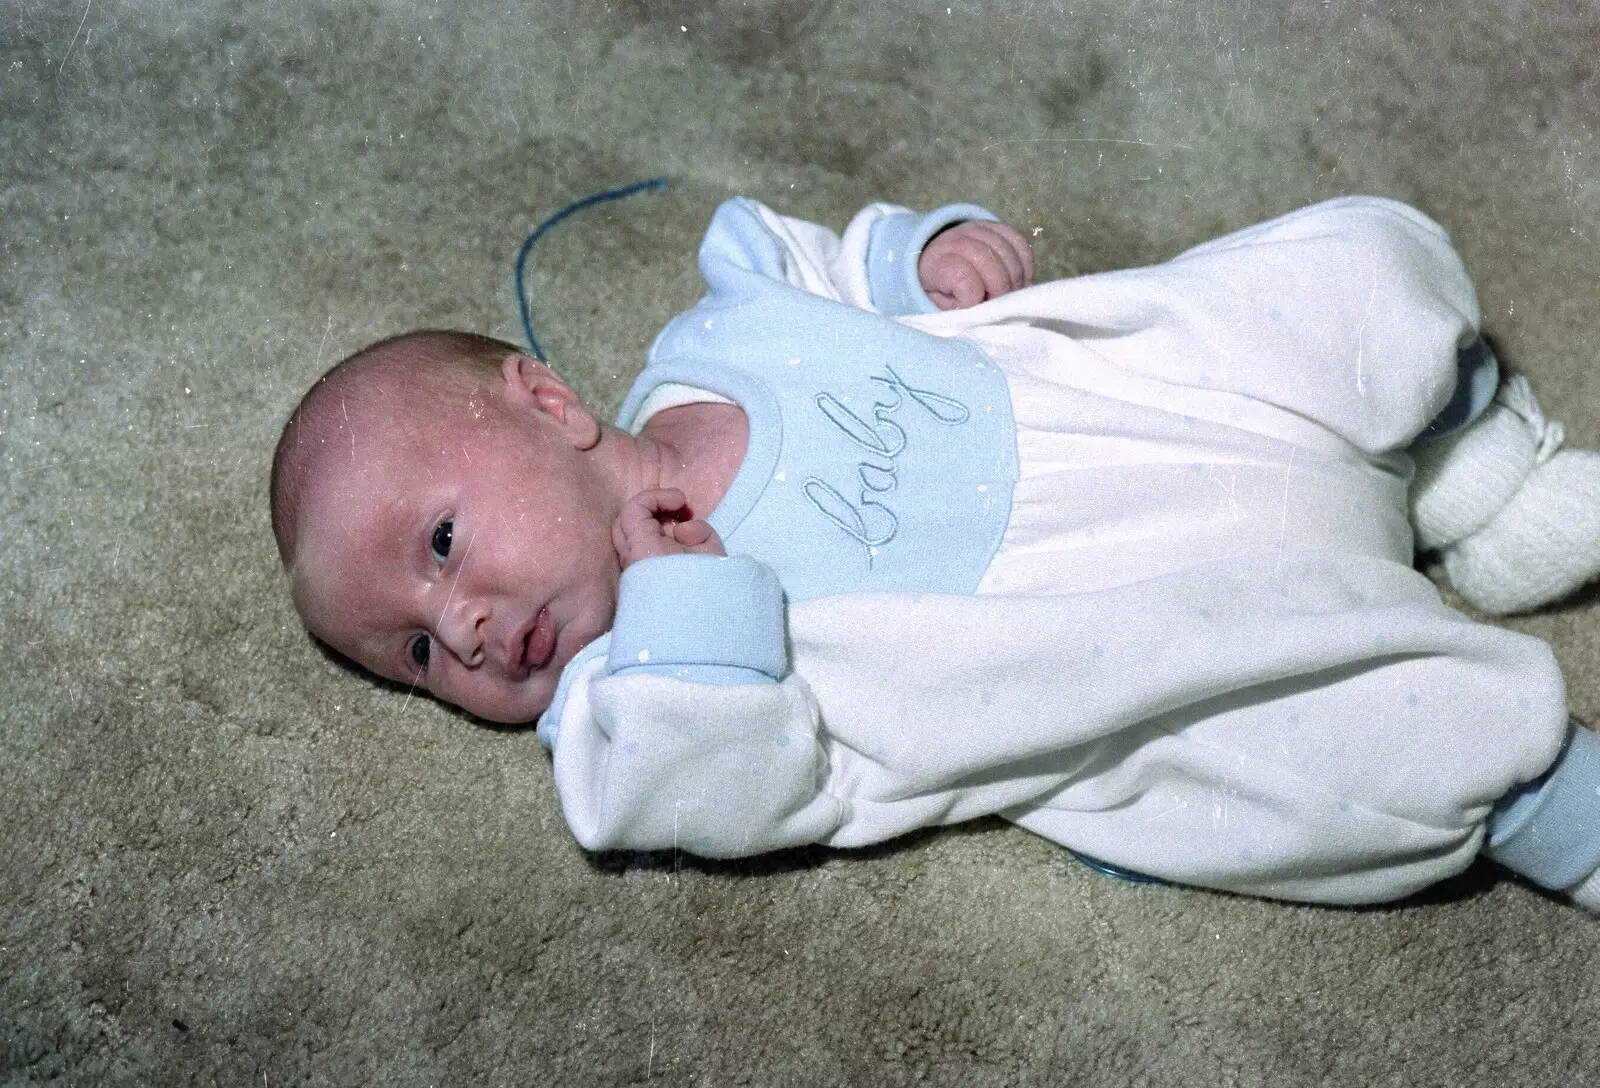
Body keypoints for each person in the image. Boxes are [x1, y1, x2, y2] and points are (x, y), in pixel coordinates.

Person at [271, 193, 1600, 909]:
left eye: (441, 544)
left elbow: (813, 254)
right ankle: (1567, 813)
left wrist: (923, 260)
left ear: (550, 404)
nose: (462, 629)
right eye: (411, 653)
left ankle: (1484, 483)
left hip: (1147, 410)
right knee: (1358, 753)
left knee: (1338, 288)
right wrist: (686, 610)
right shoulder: (621, 708)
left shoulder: (715, 343)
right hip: (1164, 641)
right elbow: (716, 792)